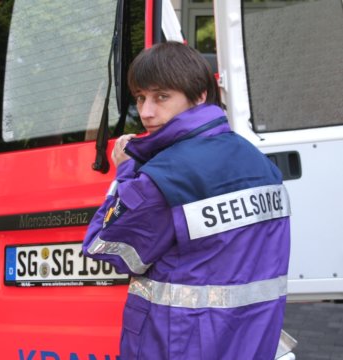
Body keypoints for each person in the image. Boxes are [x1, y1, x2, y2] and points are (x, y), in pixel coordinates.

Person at [82, 42, 291, 359]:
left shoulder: (163, 178)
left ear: (200, 95)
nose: (147, 112)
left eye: (161, 97)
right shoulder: (260, 163)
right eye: (140, 98)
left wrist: (124, 173)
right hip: (251, 342)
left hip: (179, 343)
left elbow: (103, 246)